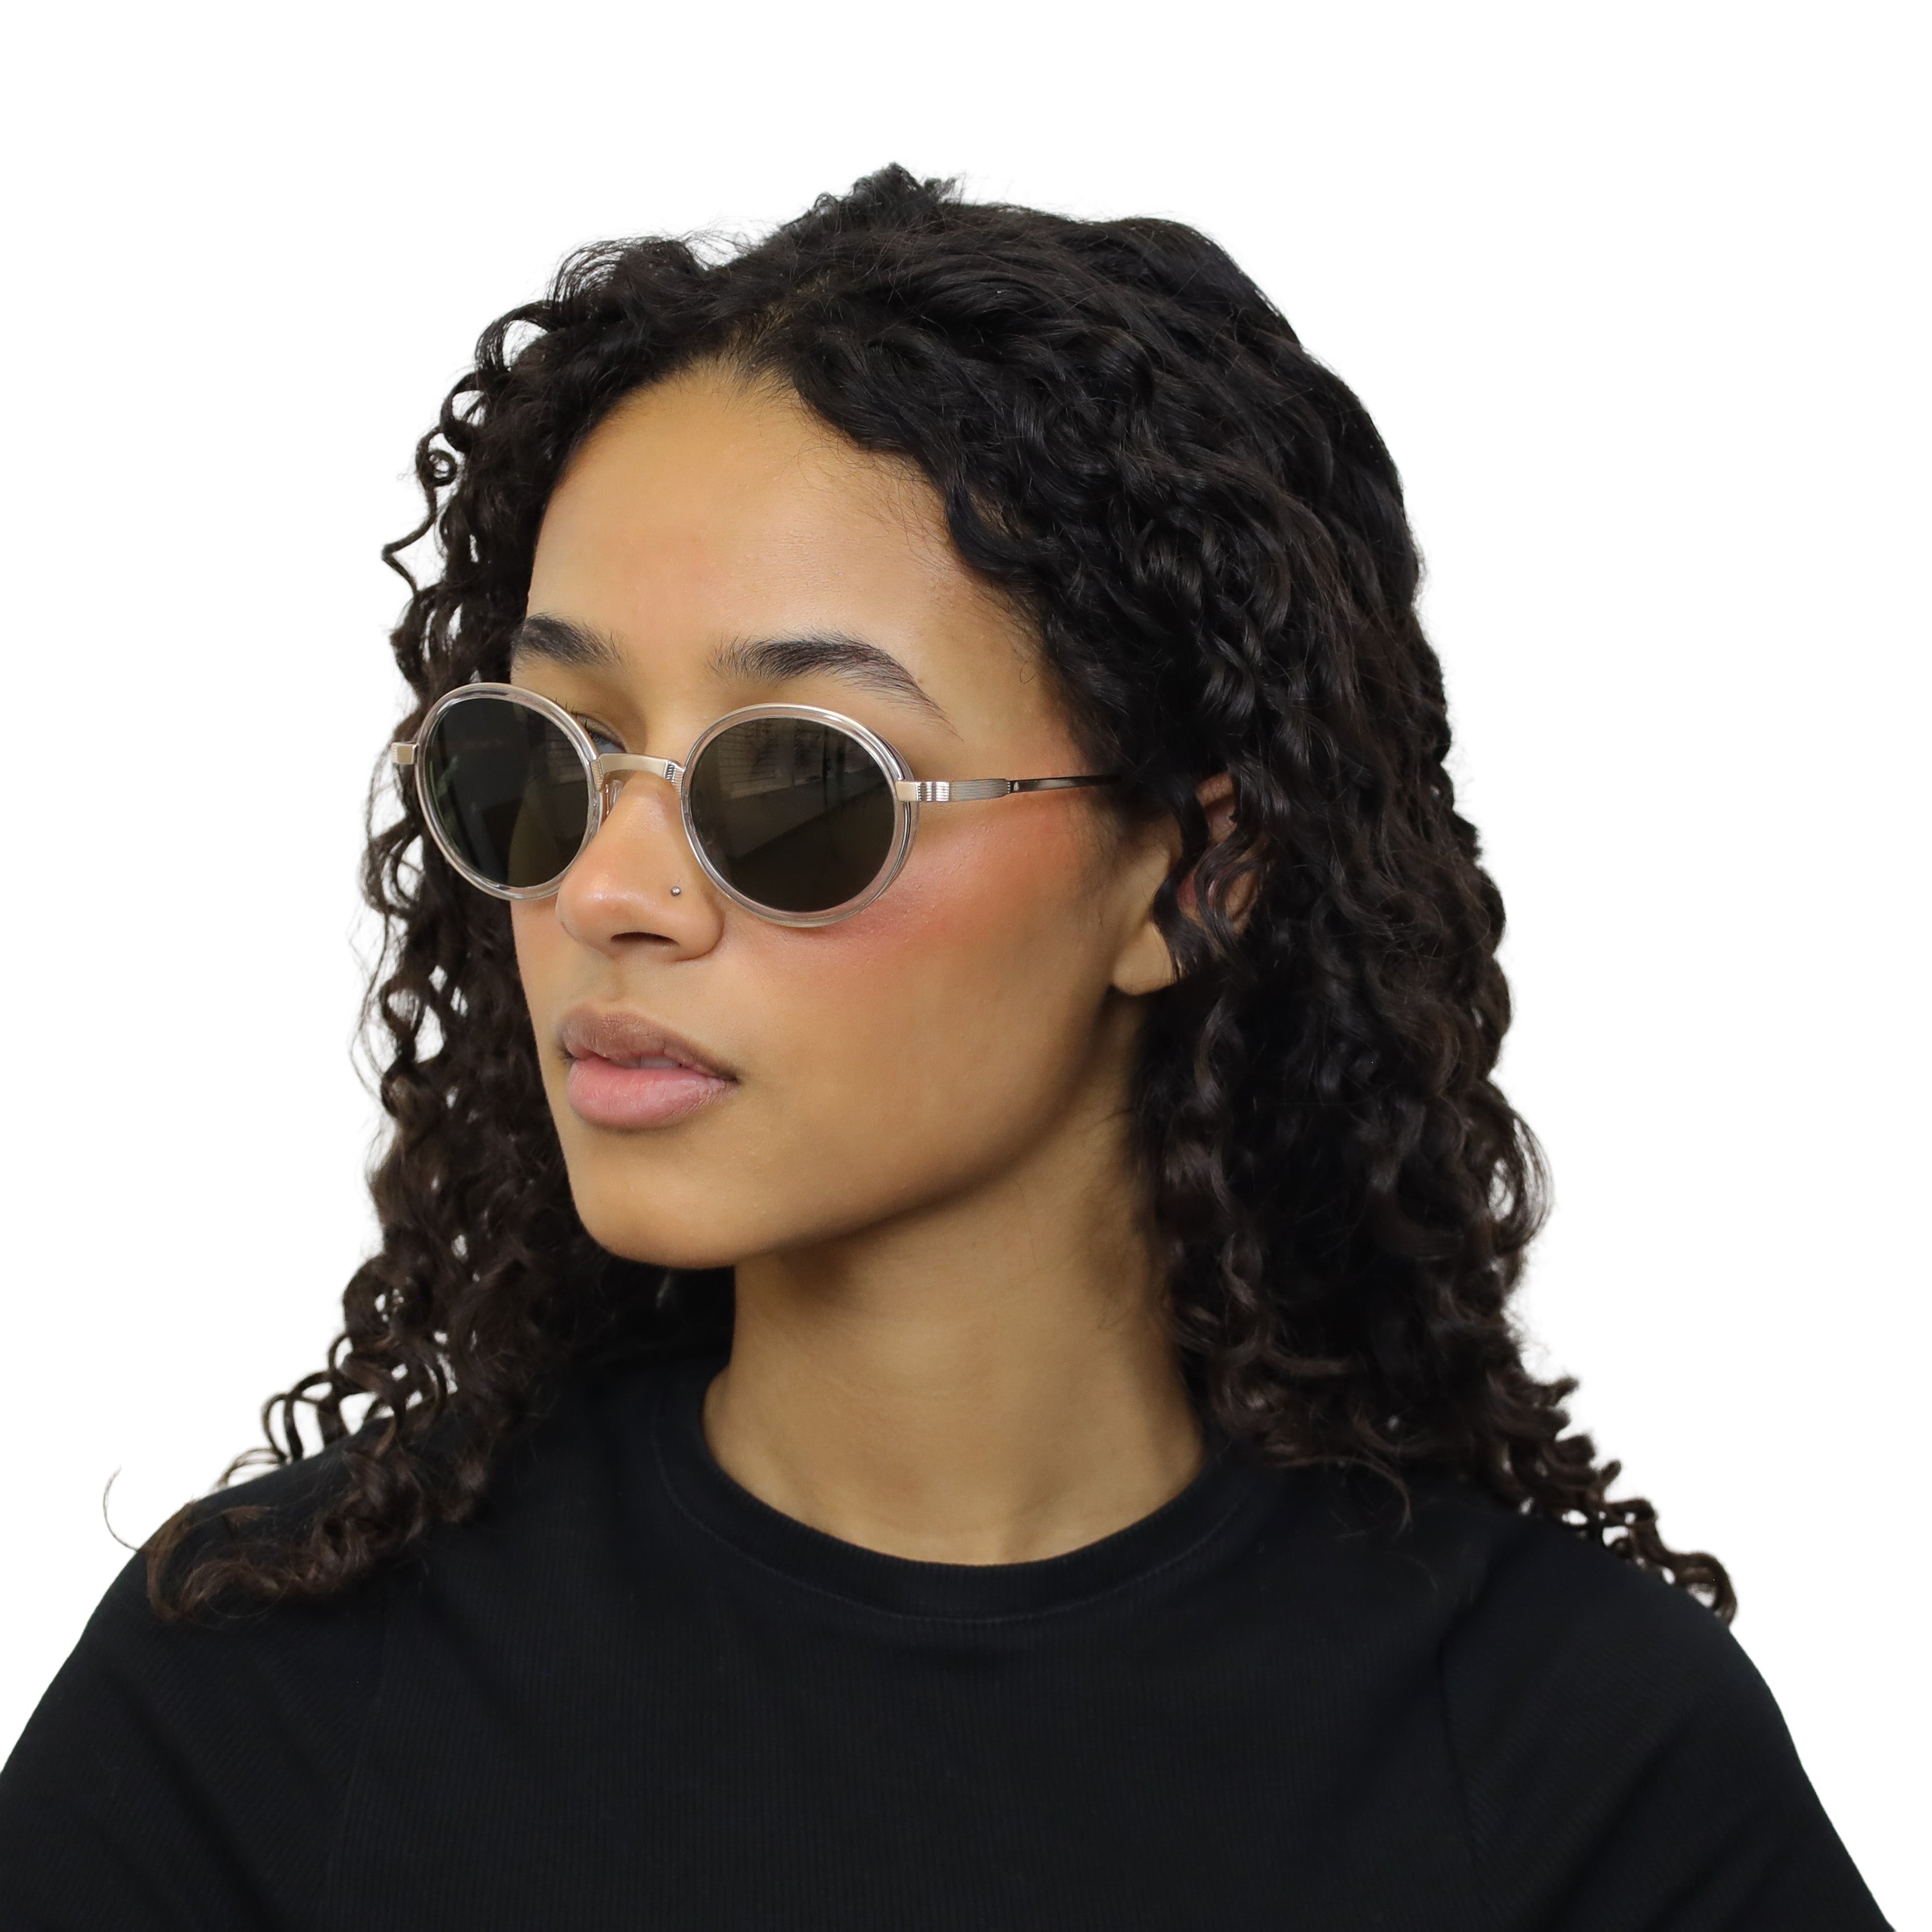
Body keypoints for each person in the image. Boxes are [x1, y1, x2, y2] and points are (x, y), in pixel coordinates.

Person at [0, 166, 1887, 1930]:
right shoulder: (256, 1709)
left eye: (798, 784)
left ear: (1192, 874)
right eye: (545, 755)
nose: (610, 890)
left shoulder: (1574, 1767)